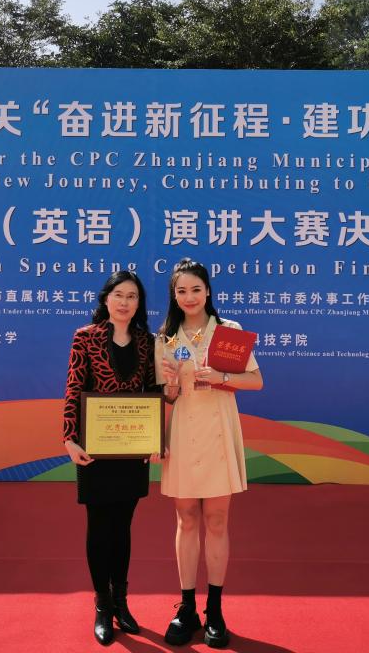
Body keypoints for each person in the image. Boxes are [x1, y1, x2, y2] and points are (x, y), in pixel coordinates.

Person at [155, 258, 263, 648]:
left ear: (208, 292)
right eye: (181, 291)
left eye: (196, 289)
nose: (189, 297)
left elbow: (256, 380)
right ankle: (187, 607)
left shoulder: (229, 331)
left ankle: (214, 609)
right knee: (186, 519)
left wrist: (222, 377)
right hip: (184, 433)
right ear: (174, 295)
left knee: (217, 521)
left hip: (218, 431)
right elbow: (167, 397)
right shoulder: (166, 338)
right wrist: (169, 386)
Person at [62, 270, 155, 646]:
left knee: (123, 526)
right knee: (99, 525)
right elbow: (74, 386)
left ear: (139, 303)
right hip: (95, 448)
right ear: (106, 299)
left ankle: (121, 602)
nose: (124, 302)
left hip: (132, 447)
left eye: (132, 296)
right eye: (119, 295)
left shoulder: (147, 341)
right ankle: (102, 604)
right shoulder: (85, 337)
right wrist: (69, 437)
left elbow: (152, 390)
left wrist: (154, 439)